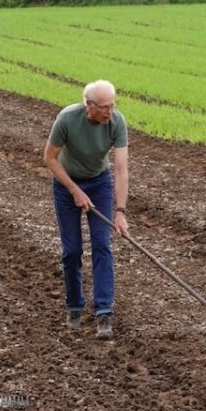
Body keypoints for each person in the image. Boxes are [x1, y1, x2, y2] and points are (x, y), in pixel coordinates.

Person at [44, 80, 130, 340]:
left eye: (112, 105)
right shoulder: (67, 119)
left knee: (102, 245)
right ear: (88, 106)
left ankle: (104, 312)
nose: (109, 112)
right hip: (66, 184)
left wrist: (120, 211)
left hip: (99, 183)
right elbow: (49, 158)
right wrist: (74, 190)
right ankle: (74, 307)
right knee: (72, 250)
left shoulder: (117, 122)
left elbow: (121, 168)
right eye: (104, 107)